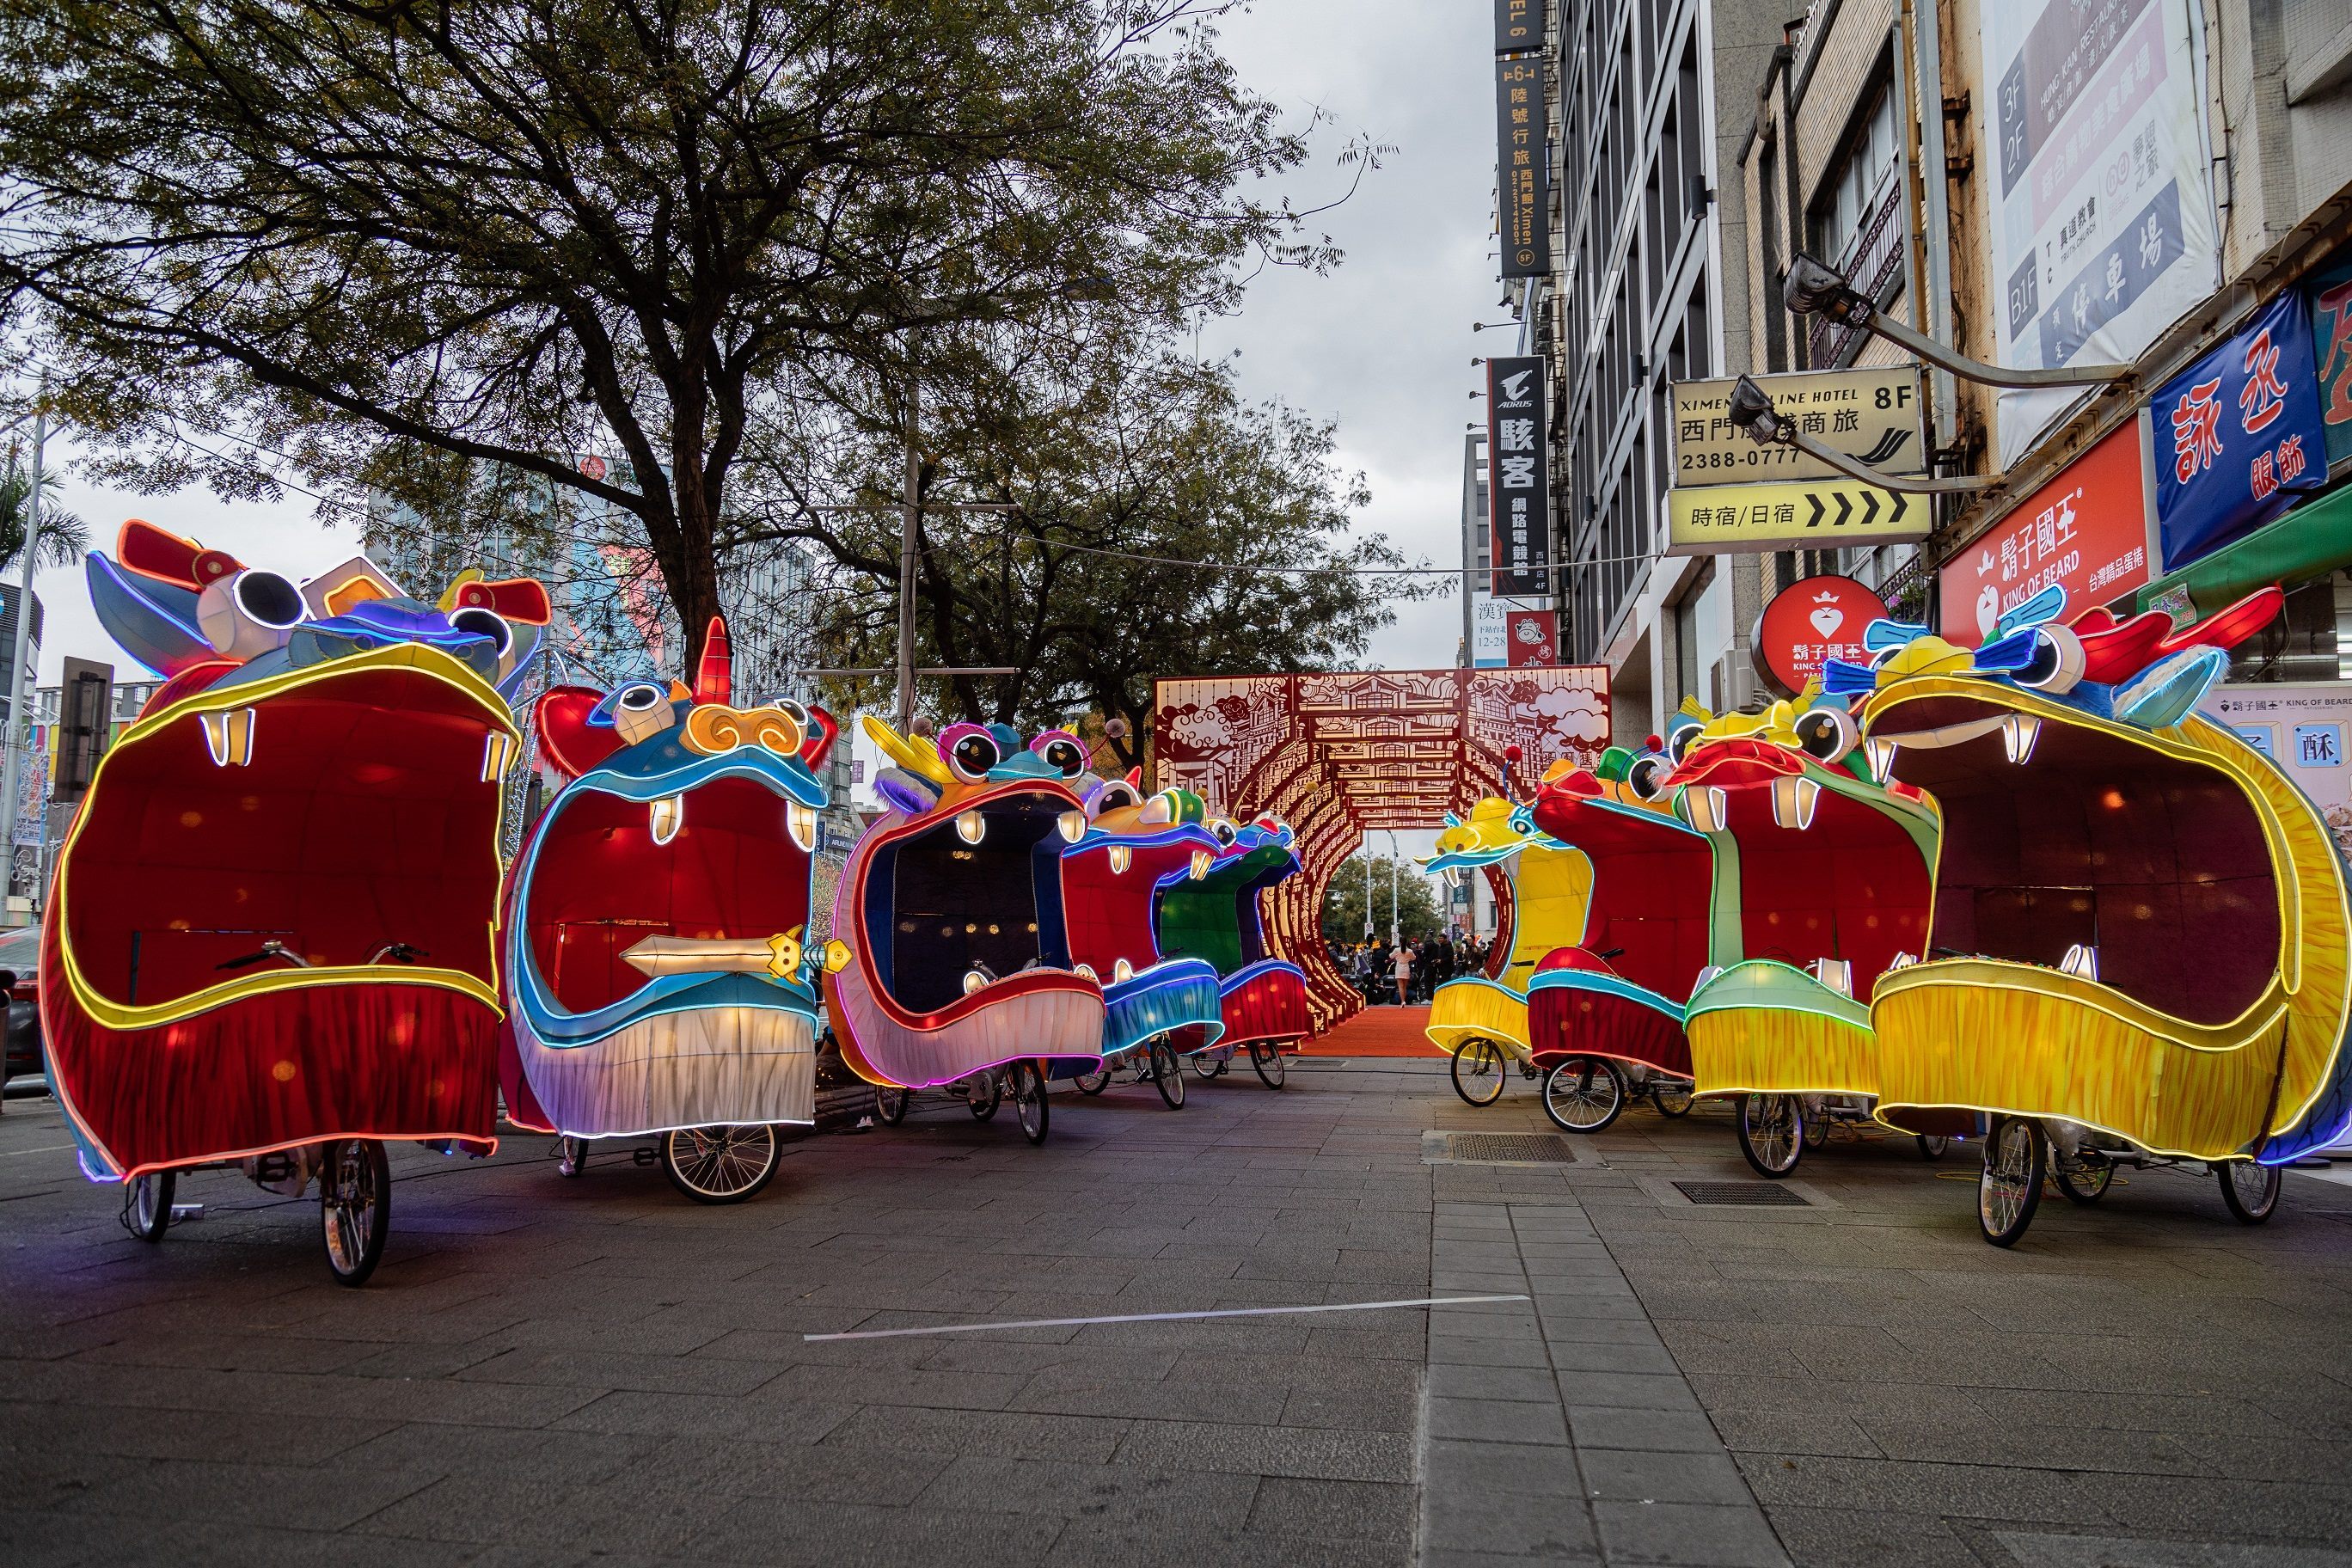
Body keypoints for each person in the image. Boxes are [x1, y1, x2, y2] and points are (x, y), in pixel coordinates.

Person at [1392, 940, 1412, 1006]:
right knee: (1405, 987)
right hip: (1406, 968)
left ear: (1400, 943)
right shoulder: (1410, 951)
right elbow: (1414, 958)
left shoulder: (1396, 950)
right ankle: (1404, 1000)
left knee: (1400, 986)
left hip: (1399, 968)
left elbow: (1391, 956)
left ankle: (1402, 1001)